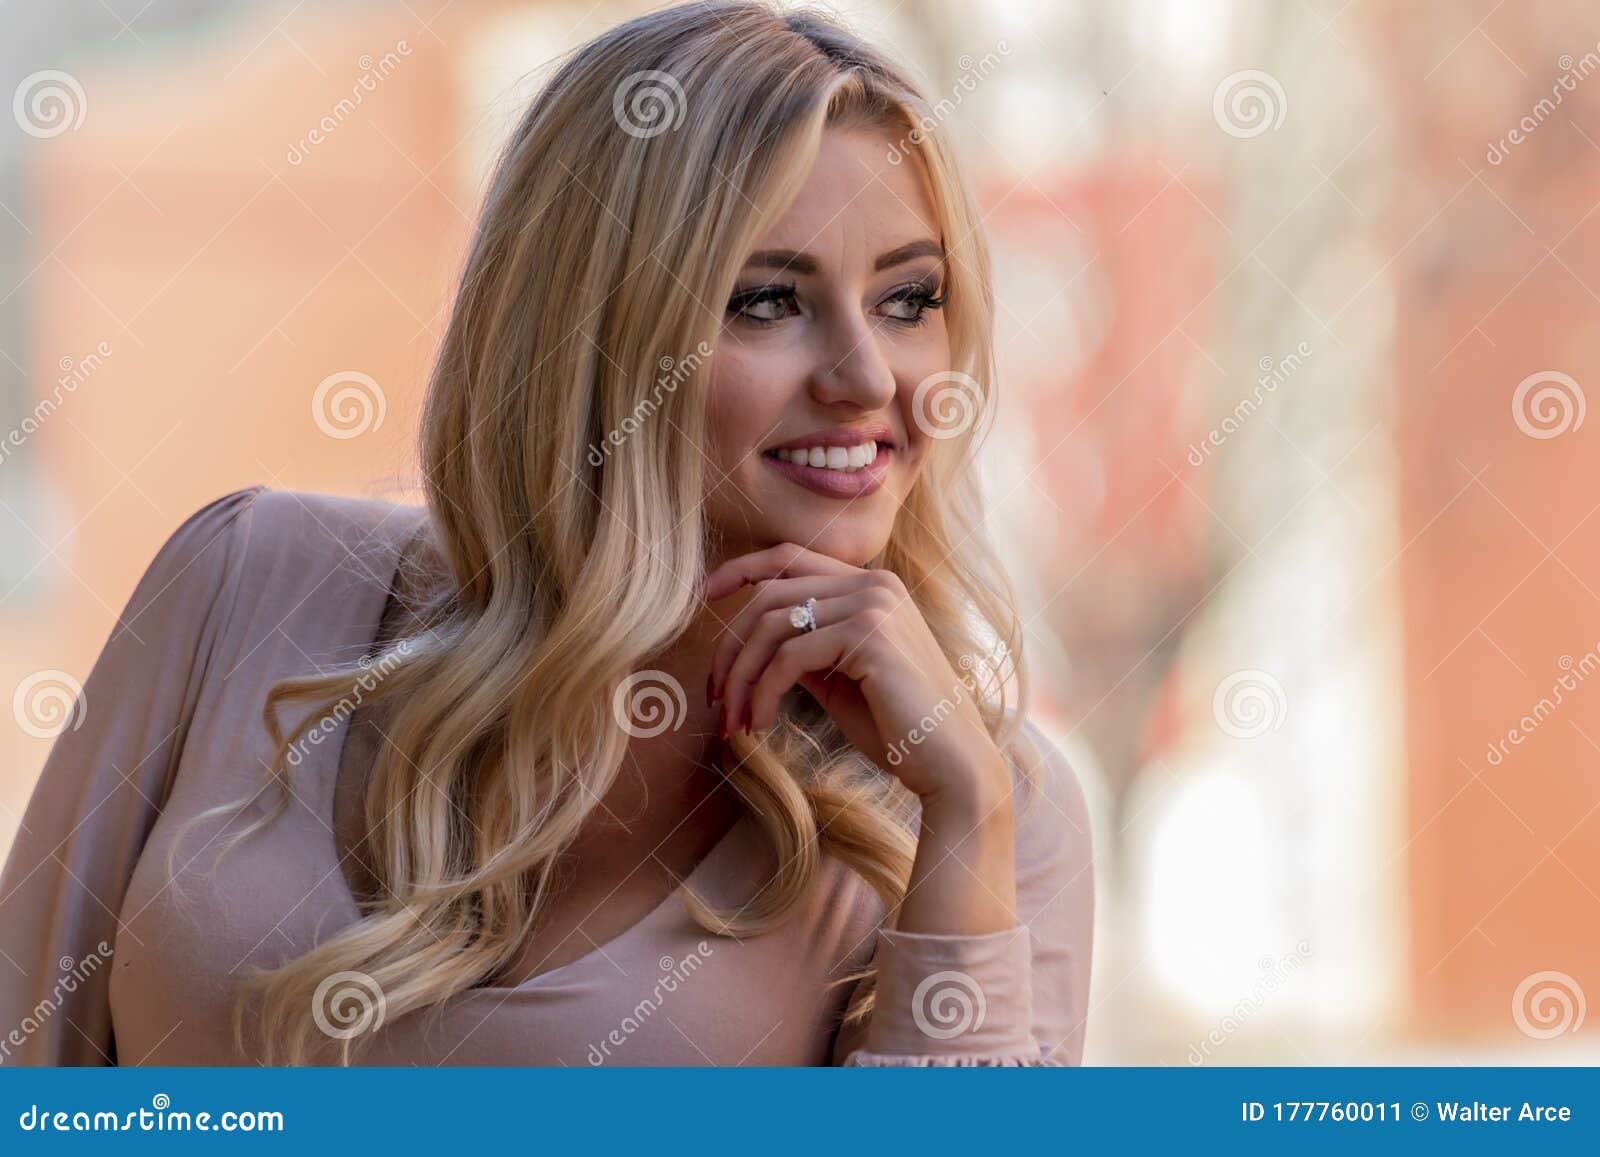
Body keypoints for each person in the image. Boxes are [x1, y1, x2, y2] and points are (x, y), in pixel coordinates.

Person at [0, 0, 1093, 1067]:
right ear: (593, 332)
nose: (866, 378)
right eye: (765, 301)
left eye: (909, 299)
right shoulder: (247, 580)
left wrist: (960, 827)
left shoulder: (987, 807)